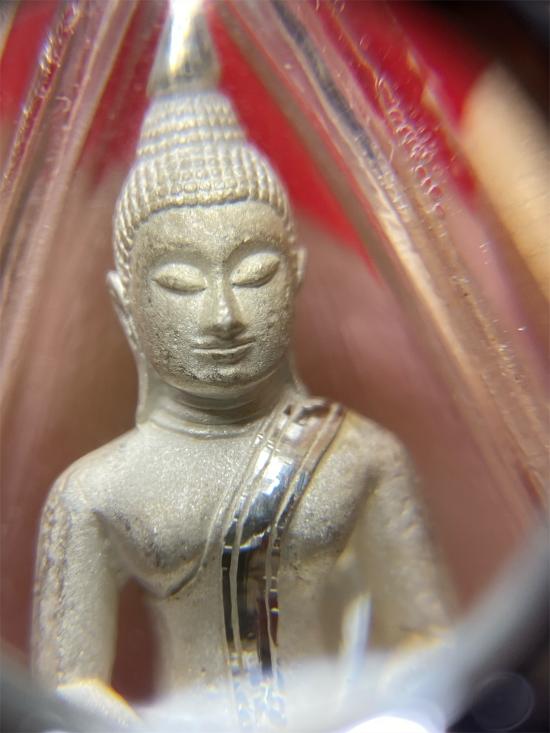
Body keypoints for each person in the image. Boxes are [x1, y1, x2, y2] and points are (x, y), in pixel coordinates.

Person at [32, 14, 451, 730]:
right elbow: (67, 684)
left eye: (255, 273)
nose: (223, 314)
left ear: (296, 276)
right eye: (180, 282)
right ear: (125, 304)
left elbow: (428, 636)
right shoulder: (94, 495)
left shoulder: (360, 459)